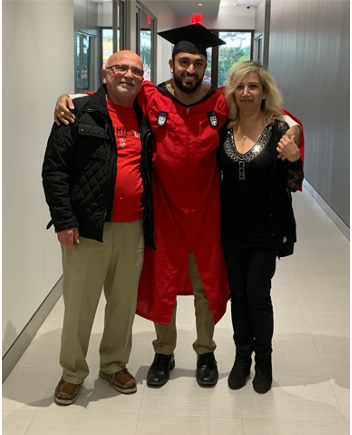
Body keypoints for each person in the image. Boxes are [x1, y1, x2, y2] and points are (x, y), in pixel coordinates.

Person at [54, 24, 302, 389]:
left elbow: (272, 113)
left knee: (205, 283)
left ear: (206, 67)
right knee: (163, 280)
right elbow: (106, 95)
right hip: (164, 209)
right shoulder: (151, 97)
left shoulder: (220, 101)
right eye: (184, 61)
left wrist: (293, 129)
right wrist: (65, 98)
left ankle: (205, 351)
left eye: (198, 63)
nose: (190, 69)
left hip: (207, 209)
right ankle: (163, 352)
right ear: (171, 64)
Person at [42, 50, 155, 405]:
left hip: (132, 227)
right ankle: (73, 373)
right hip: (87, 229)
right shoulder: (78, 110)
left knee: (123, 304)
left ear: (143, 78)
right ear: (105, 74)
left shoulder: (146, 115)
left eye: (136, 70)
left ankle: (114, 364)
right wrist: (64, 219)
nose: (128, 74)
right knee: (79, 305)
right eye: (120, 68)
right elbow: (54, 170)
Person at [218, 60, 304, 394]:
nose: (246, 93)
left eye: (253, 86)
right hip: (230, 230)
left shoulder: (281, 130)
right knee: (237, 295)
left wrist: (295, 158)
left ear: (264, 91)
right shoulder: (225, 127)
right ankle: (242, 358)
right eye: (239, 86)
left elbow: (293, 182)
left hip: (266, 229)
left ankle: (264, 361)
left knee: (257, 294)